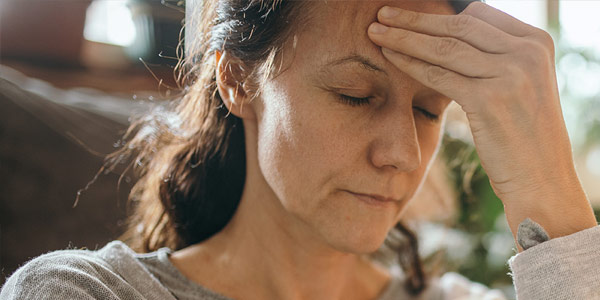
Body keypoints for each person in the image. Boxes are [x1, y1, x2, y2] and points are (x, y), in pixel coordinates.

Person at [2, 0, 600, 299]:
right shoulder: (85, 292)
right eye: (354, 95)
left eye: (427, 110)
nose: (403, 155)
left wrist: (546, 186)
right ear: (237, 78)